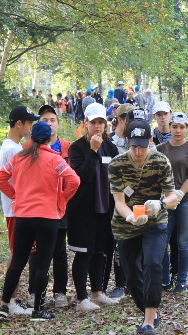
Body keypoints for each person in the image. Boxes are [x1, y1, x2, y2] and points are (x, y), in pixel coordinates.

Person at [0, 122, 80, 321]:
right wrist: (62, 199)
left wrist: (15, 195)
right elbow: (74, 180)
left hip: (23, 217)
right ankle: (38, 311)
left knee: (17, 261)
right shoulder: (55, 159)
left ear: (31, 138)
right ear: (49, 139)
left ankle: (4, 306)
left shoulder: (18, 158)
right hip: (48, 218)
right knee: (42, 263)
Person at [108, 119, 179, 335]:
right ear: (127, 142)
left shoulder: (160, 162)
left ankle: (148, 321)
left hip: (155, 221)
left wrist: (160, 203)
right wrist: (130, 216)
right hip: (126, 225)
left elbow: (172, 196)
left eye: (142, 146)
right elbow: (119, 201)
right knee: (131, 274)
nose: (138, 151)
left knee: (153, 263)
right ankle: (150, 312)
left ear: (150, 141)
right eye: (134, 146)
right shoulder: (117, 165)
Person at [67, 103, 120, 312]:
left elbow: (118, 176)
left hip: (105, 209)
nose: (97, 126)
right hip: (83, 210)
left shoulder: (111, 148)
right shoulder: (77, 148)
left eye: (101, 122)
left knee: (100, 251)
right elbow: (82, 177)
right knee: (84, 253)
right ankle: (82, 298)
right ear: (85, 123)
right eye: (93, 122)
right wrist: (93, 151)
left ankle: (98, 293)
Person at [26, 105, 72, 308]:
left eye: (52, 120)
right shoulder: (28, 148)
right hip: (36, 207)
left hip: (59, 208)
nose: (49, 124)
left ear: (58, 124)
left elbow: (73, 178)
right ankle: (34, 291)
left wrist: (63, 198)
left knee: (59, 249)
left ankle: (60, 291)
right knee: (36, 250)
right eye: (45, 120)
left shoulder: (67, 148)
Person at [0, 105, 40, 315]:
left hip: (16, 208)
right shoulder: (13, 150)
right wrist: (18, 197)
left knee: (17, 253)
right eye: (29, 122)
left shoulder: (12, 146)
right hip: (16, 210)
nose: (31, 126)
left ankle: (12, 298)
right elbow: (5, 179)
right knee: (16, 255)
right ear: (18, 124)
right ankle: (10, 301)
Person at [156, 112, 188, 294]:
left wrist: (180, 193)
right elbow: (155, 173)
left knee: (182, 242)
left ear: (186, 128)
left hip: (187, 200)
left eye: (181, 127)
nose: (178, 130)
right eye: (175, 126)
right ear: (170, 127)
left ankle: (181, 280)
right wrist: (166, 196)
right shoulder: (160, 148)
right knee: (162, 241)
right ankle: (165, 279)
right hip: (166, 201)